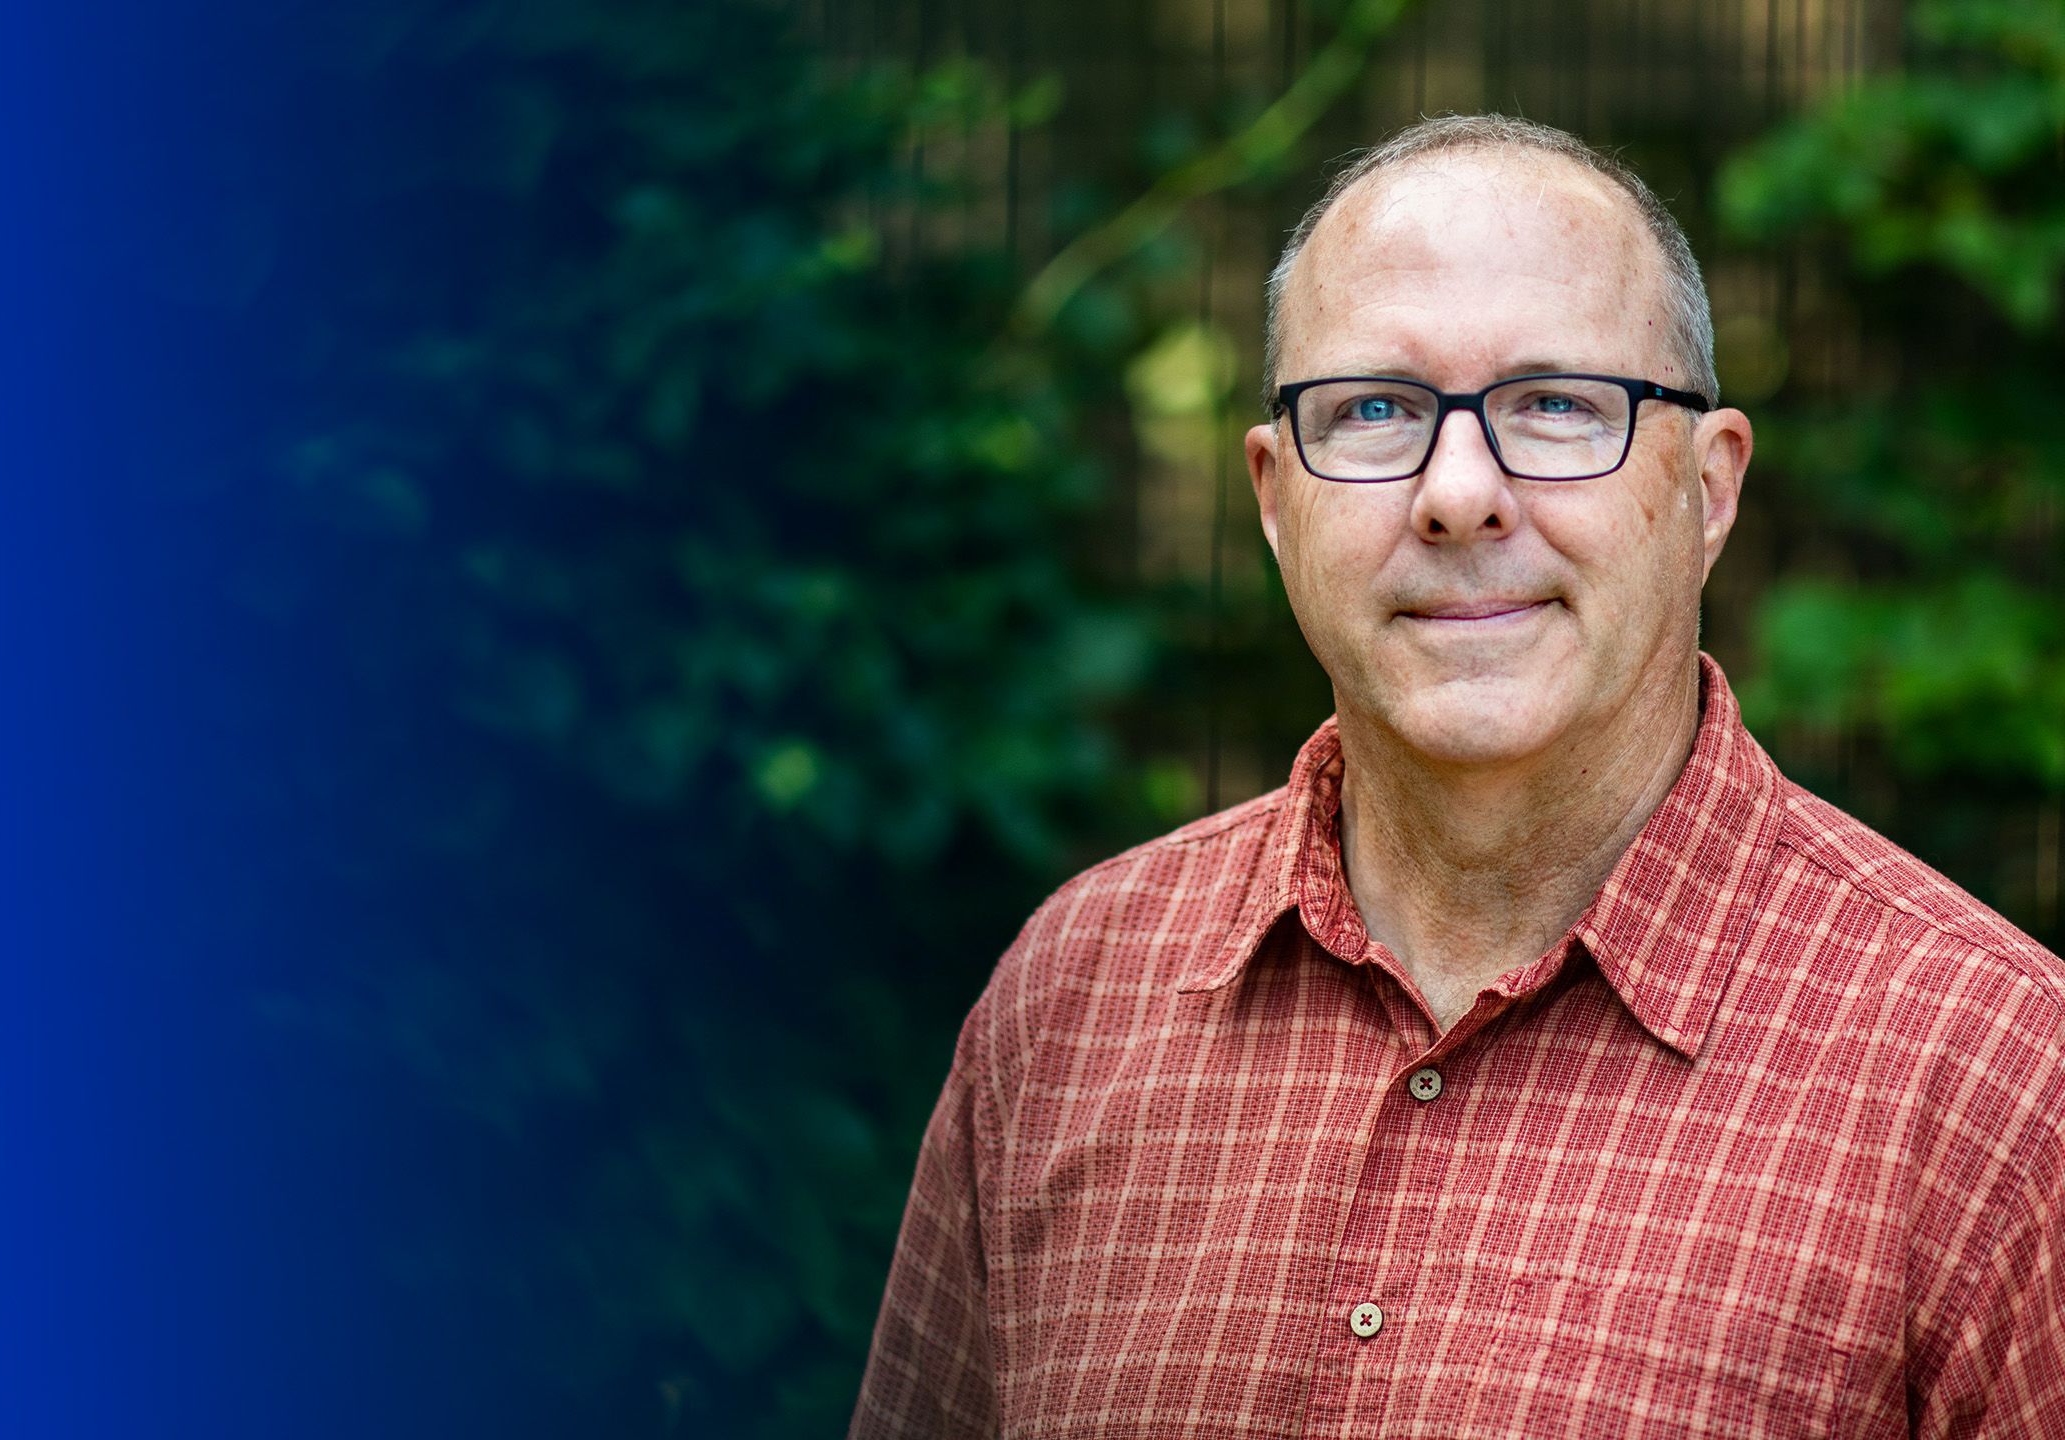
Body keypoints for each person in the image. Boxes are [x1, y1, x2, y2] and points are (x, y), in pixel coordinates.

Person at [849, 114, 2065, 1438]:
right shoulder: (1070, 1002)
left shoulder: (1999, 1088)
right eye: (1375, 409)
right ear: (1274, 500)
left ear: (1710, 489)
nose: (1458, 492)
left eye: (1555, 405)